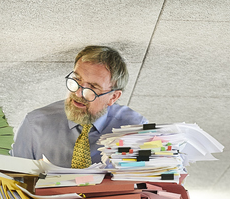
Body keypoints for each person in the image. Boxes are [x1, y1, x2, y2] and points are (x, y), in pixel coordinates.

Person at [11, 45, 147, 168]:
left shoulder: (136, 129)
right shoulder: (34, 124)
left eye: (93, 87)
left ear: (113, 97)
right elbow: (13, 180)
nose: (78, 93)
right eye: (76, 80)